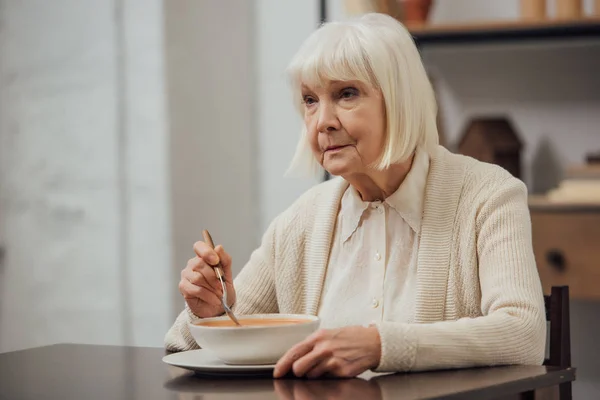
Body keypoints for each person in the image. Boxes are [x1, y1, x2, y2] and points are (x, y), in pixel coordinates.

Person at [164, 13, 546, 379]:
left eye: (346, 94)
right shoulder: (302, 221)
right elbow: (184, 347)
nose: (322, 122)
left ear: (399, 100)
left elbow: (523, 334)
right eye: (310, 100)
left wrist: (381, 345)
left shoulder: (488, 196)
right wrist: (211, 313)